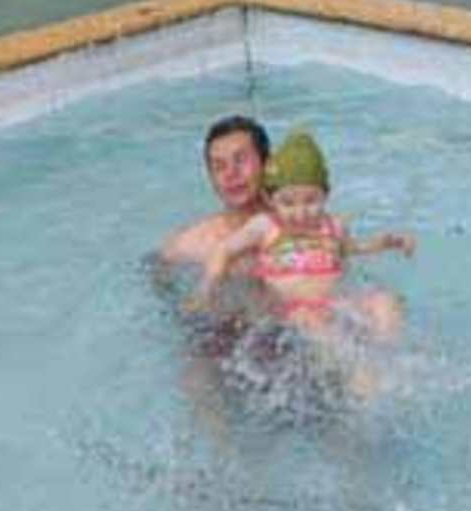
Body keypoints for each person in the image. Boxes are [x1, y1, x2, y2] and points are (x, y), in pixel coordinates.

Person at [190, 131, 415, 345]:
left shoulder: (333, 225)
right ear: (270, 199)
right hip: (292, 310)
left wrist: (385, 243)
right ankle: (354, 369)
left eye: (311, 201)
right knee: (316, 323)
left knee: (385, 302)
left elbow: (348, 249)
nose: (300, 212)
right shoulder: (266, 226)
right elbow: (224, 250)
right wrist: (207, 287)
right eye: (288, 203)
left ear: (326, 194)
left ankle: (390, 356)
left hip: (334, 303)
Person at [157, 115, 272, 271]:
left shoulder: (299, 226)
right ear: (210, 177)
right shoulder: (192, 245)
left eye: (240, 160)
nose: (231, 173)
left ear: (267, 163)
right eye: (219, 166)